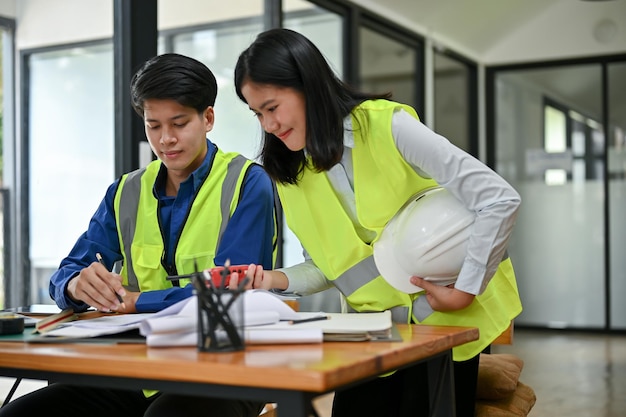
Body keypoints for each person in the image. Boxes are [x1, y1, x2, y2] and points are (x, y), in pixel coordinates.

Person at [234, 28, 522, 417]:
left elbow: (498, 198)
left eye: (272, 107)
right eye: (257, 114)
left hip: (445, 329)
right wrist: (270, 280)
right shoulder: (288, 172)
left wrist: (467, 289)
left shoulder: (389, 127)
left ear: (308, 86)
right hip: (372, 337)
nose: (268, 125)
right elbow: (327, 266)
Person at [0, 53, 276, 417]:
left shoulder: (247, 183)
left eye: (179, 123)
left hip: (227, 364)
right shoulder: (126, 191)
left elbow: (232, 290)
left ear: (207, 118)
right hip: (138, 367)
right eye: (153, 125)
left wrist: (138, 301)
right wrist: (75, 285)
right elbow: (69, 269)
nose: (166, 140)